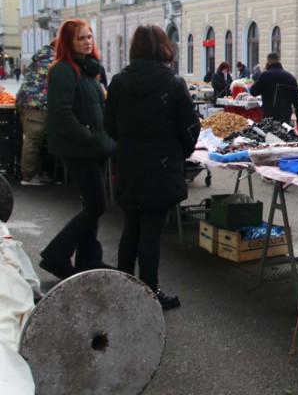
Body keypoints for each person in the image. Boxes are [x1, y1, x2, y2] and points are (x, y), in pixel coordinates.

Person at [105, 25, 200, 310]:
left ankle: (124, 287)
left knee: (131, 226)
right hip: (161, 167)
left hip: (130, 166)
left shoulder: (119, 81)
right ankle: (149, 292)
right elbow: (191, 128)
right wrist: (180, 154)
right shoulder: (173, 83)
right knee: (151, 231)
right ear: (164, 47)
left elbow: (109, 125)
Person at [39, 18, 116, 280]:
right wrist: (94, 138)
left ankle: (88, 261)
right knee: (97, 205)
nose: (87, 41)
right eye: (81, 38)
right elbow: (61, 117)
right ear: (68, 42)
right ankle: (56, 255)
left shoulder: (88, 69)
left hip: (94, 147)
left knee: (92, 204)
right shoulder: (63, 70)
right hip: (79, 148)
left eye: (89, 36)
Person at [16, 40, 57, 186]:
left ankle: (35, 173)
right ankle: (29, 175)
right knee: (33, 139)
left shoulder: (40, 58)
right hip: (37, 104)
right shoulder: (54, 60)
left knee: (33, 138)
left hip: (27, 102)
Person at [249, 52, 298, 126]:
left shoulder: (266, 75)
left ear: (268, 62)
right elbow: (297, 101)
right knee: (283, 135)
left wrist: (261, 77)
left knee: (269, 136)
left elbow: (253, 91)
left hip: (269, 116)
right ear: (279, 60)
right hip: (285, 116)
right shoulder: (291, 78)